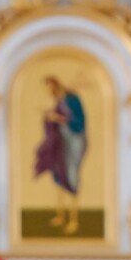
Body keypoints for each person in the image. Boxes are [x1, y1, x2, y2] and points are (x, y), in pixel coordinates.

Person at [33, 75, 88, 235]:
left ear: (56, 85)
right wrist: (49, 117)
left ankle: (74, 219)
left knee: (71, 175)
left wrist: (57, 118)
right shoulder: (59, 101)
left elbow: (78, 121)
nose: (49, 91)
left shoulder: (72, 100)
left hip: (74, 141)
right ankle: (61, 215)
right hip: (62, 141)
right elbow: (56, 120)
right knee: (59, 174)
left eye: (50, 87)